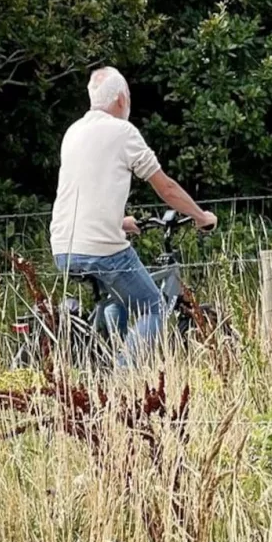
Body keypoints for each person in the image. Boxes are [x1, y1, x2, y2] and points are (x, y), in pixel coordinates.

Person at [49, 67, 216, 366]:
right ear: (122, 99)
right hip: (100, 250)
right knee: (154, 306)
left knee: (121, 298)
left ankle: (106, 361)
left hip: (63, 247)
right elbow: (166, 187)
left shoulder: (73, 131)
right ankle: (123, 380)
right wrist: (200, 215)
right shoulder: (123, 132)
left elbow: (85, 189)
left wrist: (119, 222)